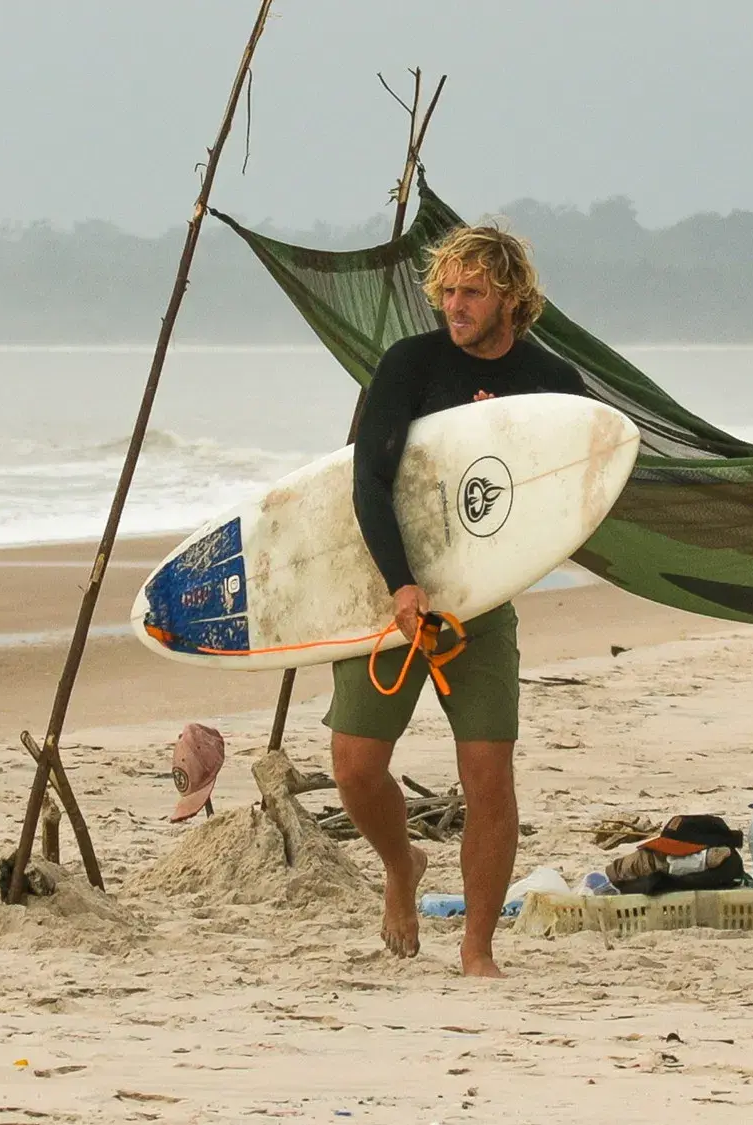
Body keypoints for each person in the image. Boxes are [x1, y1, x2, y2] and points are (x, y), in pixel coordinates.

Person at [325, 225, 588, 978]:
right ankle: (401, 864)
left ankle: (477, 948)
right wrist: (401, 582)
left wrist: (514, 567)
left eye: (472, 291)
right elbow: (368, 480)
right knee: (354, 768)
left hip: (479, 599)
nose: (455, 304)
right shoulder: (413, 363)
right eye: (447, 290)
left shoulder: (552, 382)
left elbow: (566, 491)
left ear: (511, 295)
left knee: (488, 779)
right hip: (393, 590)